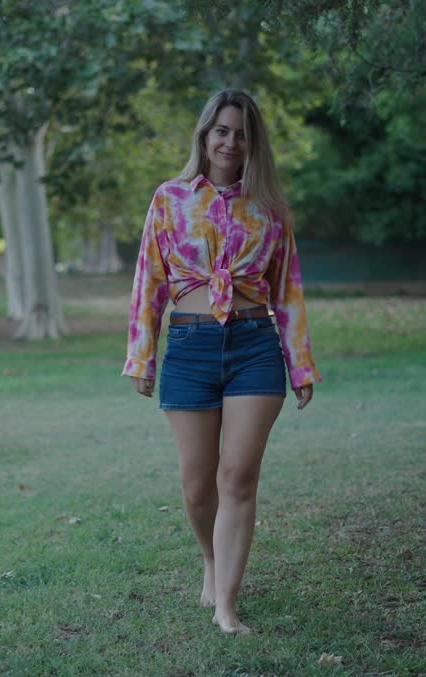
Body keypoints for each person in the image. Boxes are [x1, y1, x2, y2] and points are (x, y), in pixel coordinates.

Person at [123, 89, 323, 635]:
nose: (231, 142)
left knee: (237, 476)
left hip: (254, 347)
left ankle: (227, 605)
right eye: (222, 131)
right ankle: (211, 559)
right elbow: (149, 279)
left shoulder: (271, 208)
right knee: (197, 485)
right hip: (189, 347)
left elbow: (288, 291)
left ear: (253, 143)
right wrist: (142, 356)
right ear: (205, 135)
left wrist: (300, 365)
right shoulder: (169, 198)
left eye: (241, 133)